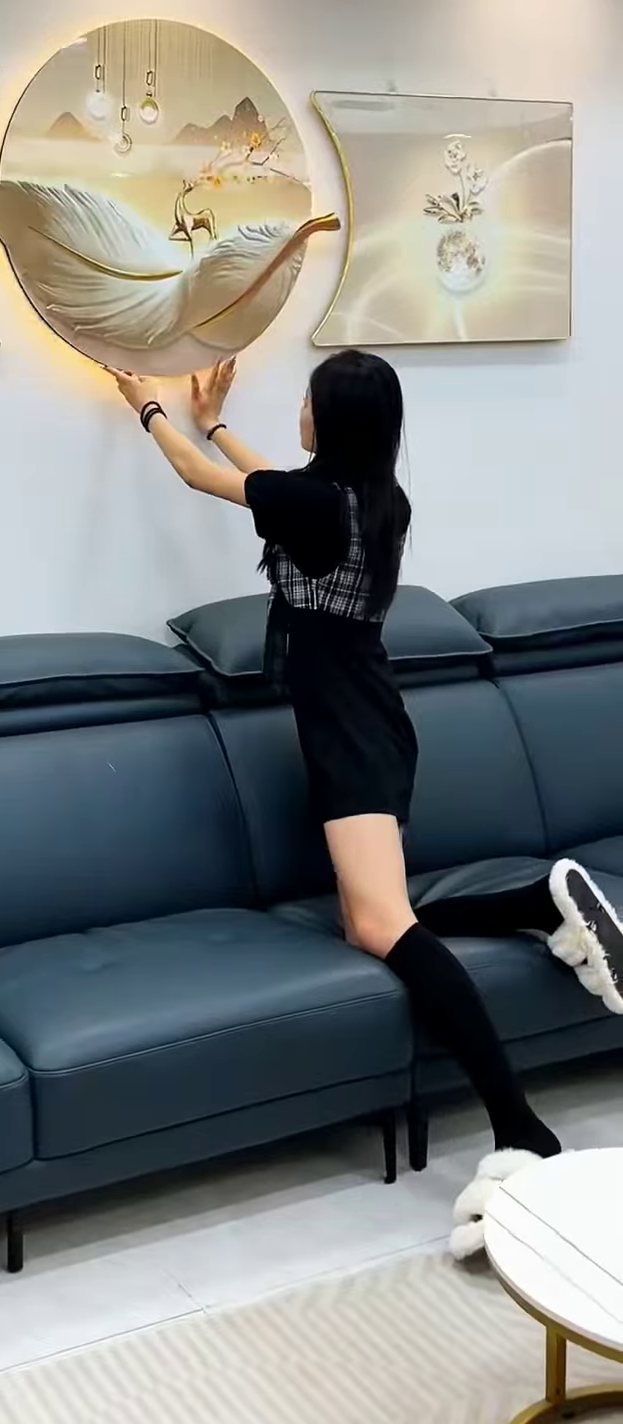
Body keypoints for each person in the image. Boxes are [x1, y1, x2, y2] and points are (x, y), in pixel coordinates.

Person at [112, 350, 623, 1249]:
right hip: (367, 719)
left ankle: (520, 1128)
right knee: (372, 922)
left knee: (384, 926)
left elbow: (205, 480)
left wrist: (149, 409)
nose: (300, 411)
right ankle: (536, 901)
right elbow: (273, 484)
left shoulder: (316, 503)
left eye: (308, 401)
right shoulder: (375, 497)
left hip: (351, 735)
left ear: (333, 420)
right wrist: (216, 420)